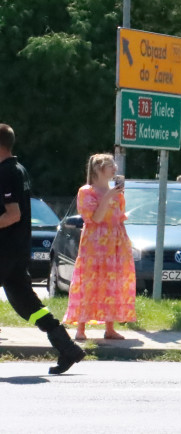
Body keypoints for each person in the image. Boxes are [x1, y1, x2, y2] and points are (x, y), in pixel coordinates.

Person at [0, 123, 85, 374]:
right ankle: (67, 348)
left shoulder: (5, 172)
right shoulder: (18, 169)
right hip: (16, 249)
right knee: (27, 305)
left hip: (5, 249)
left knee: (24, 302)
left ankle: (67, 347)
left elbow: (12, 214)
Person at [63, 153, 137, 340]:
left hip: (115, 241)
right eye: (110, 165)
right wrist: (109, 196)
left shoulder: (117, 192)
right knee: (89, 281)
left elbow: (118, 217)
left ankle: (110, 328)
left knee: (113, 282)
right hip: (95, 243)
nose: (115, 169)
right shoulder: (86, 191)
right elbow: (95, 218)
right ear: (98, 169)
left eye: (114, 165)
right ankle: (81, 328)